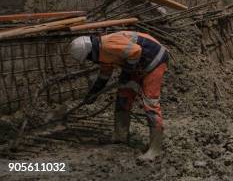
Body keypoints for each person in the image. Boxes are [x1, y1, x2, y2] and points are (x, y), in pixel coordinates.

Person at [68, 31, 169, 162]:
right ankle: (120, 137)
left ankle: (155, 149)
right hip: (137, 64)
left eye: (88, 58)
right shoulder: (101, 52)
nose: (89, 60)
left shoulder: (109, 44)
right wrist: (93, 93)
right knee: (123, 97)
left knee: (150, 103)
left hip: (154, 61)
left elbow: (136, 51)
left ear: (89, 52)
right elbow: (104, 75)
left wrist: (127, 72)